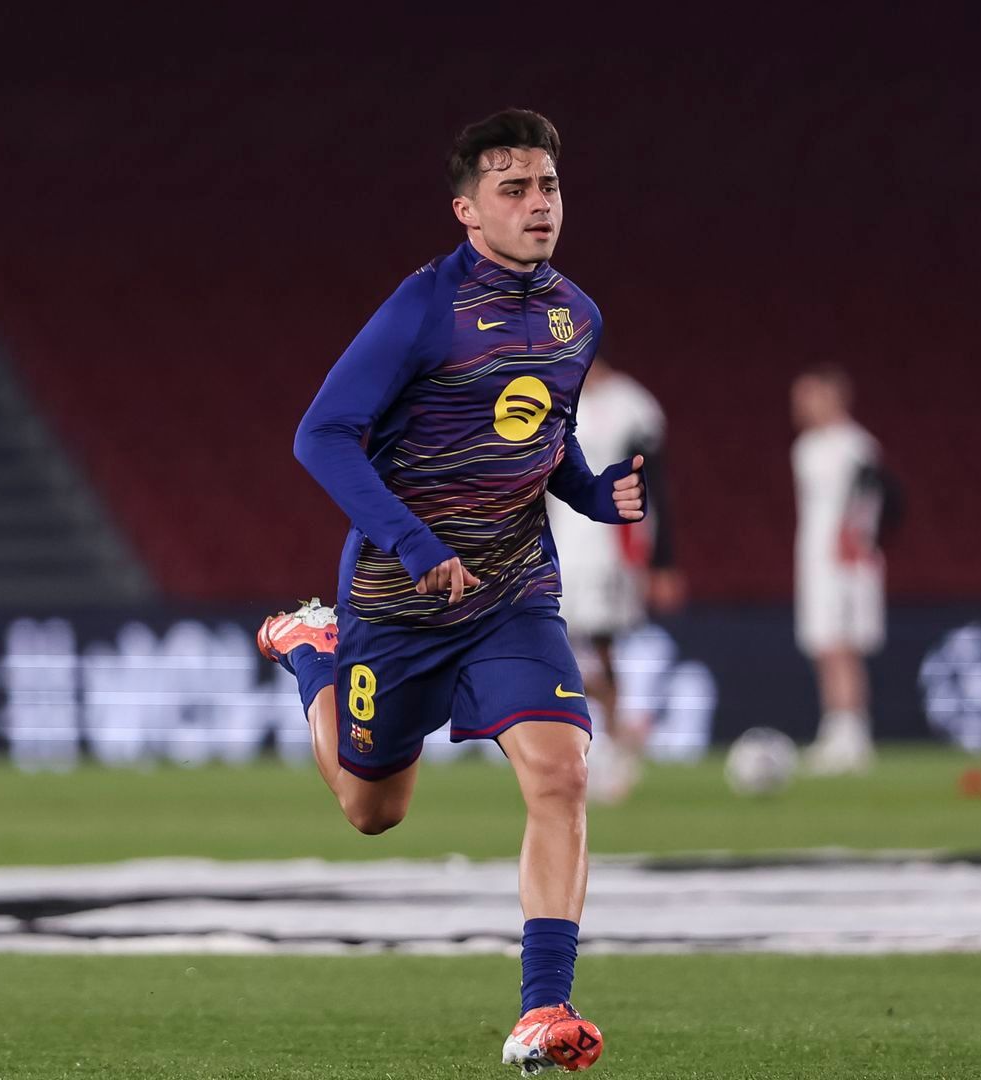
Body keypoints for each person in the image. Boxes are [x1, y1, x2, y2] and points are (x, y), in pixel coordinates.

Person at [258, 108, 643, 1074]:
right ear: (467, 209)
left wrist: (590, 492)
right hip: (395, 599)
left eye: (547, 185)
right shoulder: (424, 306)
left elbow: (540, 432)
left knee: (561, 774)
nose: (537, 204)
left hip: (513, 592)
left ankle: (542, 1010)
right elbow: (322, 435)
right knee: (370, 810)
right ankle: (313, 657)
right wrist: (412, 539)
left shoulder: (576, 317)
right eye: (513, 189)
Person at [543, 356, 682, 803]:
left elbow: (653, 479)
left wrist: (662, 560)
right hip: (561, 539)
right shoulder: (551, 396)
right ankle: (606, 737)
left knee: (602, 645)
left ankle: (616, 747)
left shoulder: (632, 405)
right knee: (559, 642)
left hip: (609, 544)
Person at [790, 364, 890, 775]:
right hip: (814, 555)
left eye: (809, 395)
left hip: (846, 560)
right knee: (825, 643)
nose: (801, 405)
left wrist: (857, 541)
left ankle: (851, 733)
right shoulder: (807, 447)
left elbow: (874, 499)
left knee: (842, 645)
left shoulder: (856, 446)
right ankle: (839, 728)